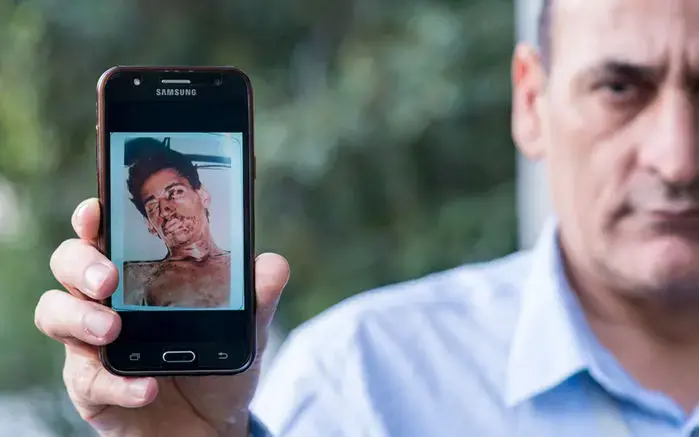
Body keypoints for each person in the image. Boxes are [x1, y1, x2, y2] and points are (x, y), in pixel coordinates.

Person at [33, 0, 699, 435]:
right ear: (530, 102)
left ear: (206, 196)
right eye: (618, 88)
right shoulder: (356, 384)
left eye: (175, 192)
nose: (676, 158)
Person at [122, 137, 231, 308]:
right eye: (152, 205)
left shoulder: (243, 267)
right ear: (150, 225)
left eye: (175, 193)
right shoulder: (135, 278)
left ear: (203, 196)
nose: (165, 209)